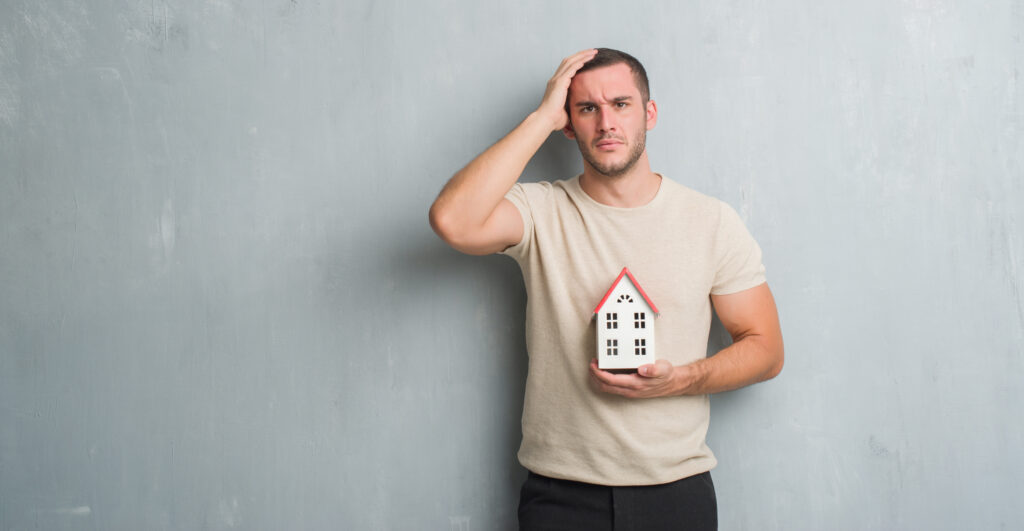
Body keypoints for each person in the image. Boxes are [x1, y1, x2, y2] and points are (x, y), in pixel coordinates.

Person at [429, 48, 784, 531]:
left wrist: (679, 379)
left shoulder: (712, 222)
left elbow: (766, 350)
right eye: (587, 109)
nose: (606, 123)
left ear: (649, 113)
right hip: (560, 494)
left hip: (674, 490)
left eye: (621, 104)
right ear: (568, 124)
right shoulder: (540, 210)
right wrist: (540, 117)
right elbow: (452, 220)